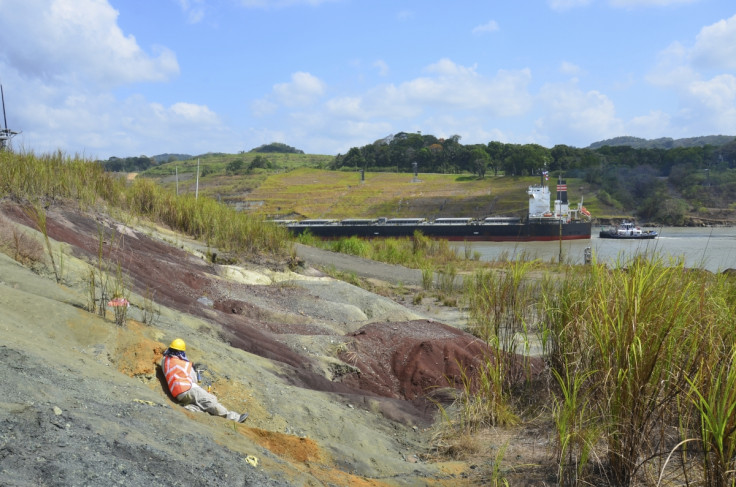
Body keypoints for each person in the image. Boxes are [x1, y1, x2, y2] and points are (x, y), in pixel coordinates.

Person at [161, 338, 248, 423]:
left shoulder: (165, 360)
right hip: (188, 389)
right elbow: (194, 379)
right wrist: (193, 369)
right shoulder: (185, 364)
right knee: (210, 400)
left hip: (177, 394)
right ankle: (234, 418)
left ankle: (190, 408)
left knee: (200, 402)